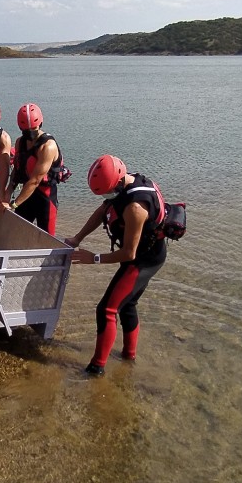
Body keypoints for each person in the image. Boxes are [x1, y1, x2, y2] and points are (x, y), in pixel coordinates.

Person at [65, 155, 168, 376]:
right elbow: (103, 211)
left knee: (107, 309)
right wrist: (77, 238)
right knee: (127, 305)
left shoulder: (136, 208)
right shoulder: (126, 183)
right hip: (142, 255)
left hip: (144, 260)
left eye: (107, 192)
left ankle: (96, 368)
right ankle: (129, 358)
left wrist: (94, 258)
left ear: (118, 182)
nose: (106, 197)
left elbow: (128, 254)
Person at [2, 103, 63, 236]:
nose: (30, 134)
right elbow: (17, 171)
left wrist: (13, 204)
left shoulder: (48, 147)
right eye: (26, 131)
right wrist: (8, 191)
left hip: (45, 197)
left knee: (46, 239)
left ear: (40, 124)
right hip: (26, 196)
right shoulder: (20, 142)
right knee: (17, 235)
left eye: (33, 130)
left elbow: (35, 180)